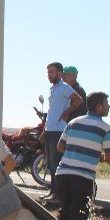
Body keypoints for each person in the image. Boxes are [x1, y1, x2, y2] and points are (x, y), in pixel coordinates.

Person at [55, 92, 110, 220]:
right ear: (98, 106)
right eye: (107, 103)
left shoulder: (74, 122)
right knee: (79, 219)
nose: (109, 107)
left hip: (63, 174)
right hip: (83, 178)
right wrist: (100, 156)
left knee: (64, 213)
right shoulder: (106, 129)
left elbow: (60, 147)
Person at [41, 62, 83, 202]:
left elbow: (78, 100)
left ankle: (59, 194)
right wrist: (45, 130)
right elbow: (52, 111)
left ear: (60, 73)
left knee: (56, 162)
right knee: (51, 164)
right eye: (48, 73)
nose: (49, 75)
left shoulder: (64, 87)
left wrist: (66, 112)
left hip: (58, 130)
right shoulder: (53, 89)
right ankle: (53, 192)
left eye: (51, 72)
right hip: (50, 130)